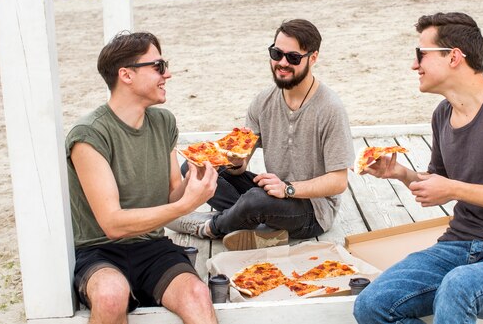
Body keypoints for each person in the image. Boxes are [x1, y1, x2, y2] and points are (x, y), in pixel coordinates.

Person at [353, 12, 483, 324]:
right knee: (372, 305)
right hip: (458, 245)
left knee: (457, 286)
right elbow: (440, 185)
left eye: (420, 54)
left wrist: (454, 189)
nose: (414, 65)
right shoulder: (442, 114)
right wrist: (402, 174)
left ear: (454, 57)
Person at [66, 32, 218, 324]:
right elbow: (112, 224)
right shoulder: (89, 134)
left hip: (151, 246)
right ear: (126, 75)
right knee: (111, 296)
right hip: (99, 251)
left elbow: (173, 191)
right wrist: (185, 206)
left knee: (198, 294)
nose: (168, 74)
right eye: (158, 66)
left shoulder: (163, 122)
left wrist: (197, 174)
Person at [168, 19, 354, 251]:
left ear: (313, 58)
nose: (282, 63)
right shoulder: (262, 101)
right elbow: (240, 167)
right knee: (195, 168)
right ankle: (258, 225)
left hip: (312, 210)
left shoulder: (330, 108)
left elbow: (338, 181)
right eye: (276, 53)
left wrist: (288, 189)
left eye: (293, 58)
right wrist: (235, 161)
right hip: (272, 194)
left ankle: (211, 226)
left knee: (256, 200)